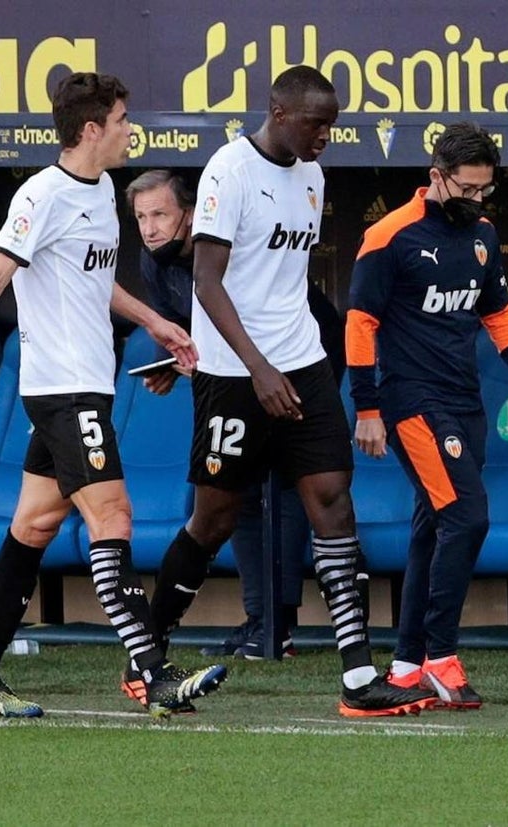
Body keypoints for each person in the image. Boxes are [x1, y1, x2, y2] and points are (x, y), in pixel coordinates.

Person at [0, 72, 226, 720]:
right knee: (112, 517)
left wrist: (151, 319)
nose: (128, 130)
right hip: (62, 392)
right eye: (120, 119)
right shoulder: (42, 196)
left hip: (91, 384)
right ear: (92, 130)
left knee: (32, 525)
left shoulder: (105, 189)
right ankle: (152, 673)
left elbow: (91, 278)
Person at [144, 65, 437, 717]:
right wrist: (257, 367)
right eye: (316, 122)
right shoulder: (230, 169)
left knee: (333, 500)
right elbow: (208, 282)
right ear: (278, 111)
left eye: (332, 124)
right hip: (233, 371)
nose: (326, 136)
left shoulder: (311, 171)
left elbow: (284, 279)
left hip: (300, 360)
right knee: (214, 517)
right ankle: (147, 654)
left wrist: (288, 360)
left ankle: (359, 677)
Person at [346, 122, 508, 708]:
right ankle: (441, 657)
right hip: (410, 402)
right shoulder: (389, 236)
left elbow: (498, 313)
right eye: (466, 190)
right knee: (467, 517)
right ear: (436, 177)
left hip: (464, 401)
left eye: (483, 191)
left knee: (433, 526)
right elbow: (360, 323)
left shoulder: (484, 235)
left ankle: (403, 666)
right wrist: (367, 407)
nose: (475, 201)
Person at [125, 169, 347, 661]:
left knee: (291, 484)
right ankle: (259, 621)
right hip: (233, 372)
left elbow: (260, 318)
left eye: (160, 214)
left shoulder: (226, 245)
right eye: (141, 218)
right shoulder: (154, 264)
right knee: (232, 496)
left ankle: (279, 625)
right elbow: (193, 331)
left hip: (302, 357)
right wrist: (176, 362)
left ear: (191, 213)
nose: (151, 228)